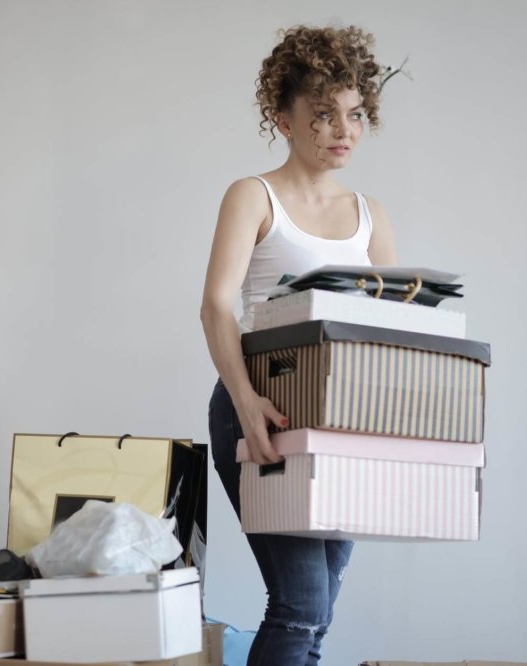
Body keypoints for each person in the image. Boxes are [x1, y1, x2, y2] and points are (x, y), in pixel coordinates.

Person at [200, 25, 398, 666]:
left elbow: (391, 330)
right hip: (263, 405)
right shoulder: (252, 196)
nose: (343, 130)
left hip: (343, 419)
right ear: (283, 120)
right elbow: (217, 306)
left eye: (355, 114)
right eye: (322, 115)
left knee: (318, 612)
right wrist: (246, 401)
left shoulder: (371, 214)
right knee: (301, 603)